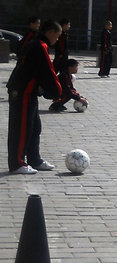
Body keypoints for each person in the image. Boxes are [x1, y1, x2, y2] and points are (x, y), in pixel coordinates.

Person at [7, 20, 62, 174]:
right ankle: (17, 163)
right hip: (22, 91)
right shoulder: (39, 46)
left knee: (34, 127)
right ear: (50, 32)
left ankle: (34, 159)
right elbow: (47, 70)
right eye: (57, 36)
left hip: (30, 92)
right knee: (21, 128)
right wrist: (56, 92)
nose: (56, 40)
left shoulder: (36, 44)